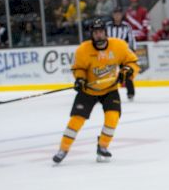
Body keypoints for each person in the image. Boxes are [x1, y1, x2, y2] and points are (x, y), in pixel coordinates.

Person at [52, 19, 139, 165]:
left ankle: (103, 146)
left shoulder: (119, 45)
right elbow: (78, 68)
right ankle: (63, 149)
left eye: (101, 32)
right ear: (92, 34)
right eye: (95, 32)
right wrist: (80, 79)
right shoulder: (83, 49)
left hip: (110, 89)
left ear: (105, 32)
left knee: (112, 118)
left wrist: (127, 71)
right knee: (76, 119)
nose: (98, 35)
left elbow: (132, 62)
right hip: (88, 90)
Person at [107, 7, 137, 101]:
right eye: (115, 14)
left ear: (121, 15)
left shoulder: (126, 26)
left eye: (119, 14)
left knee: (127, 72)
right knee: (106, 74)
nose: (117, 16)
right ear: (112, 15)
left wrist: (133, 50)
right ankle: (104, 94)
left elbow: (131, 39)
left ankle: (130, 93)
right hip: (110, 54)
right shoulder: (107, 26)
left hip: (122, 53)